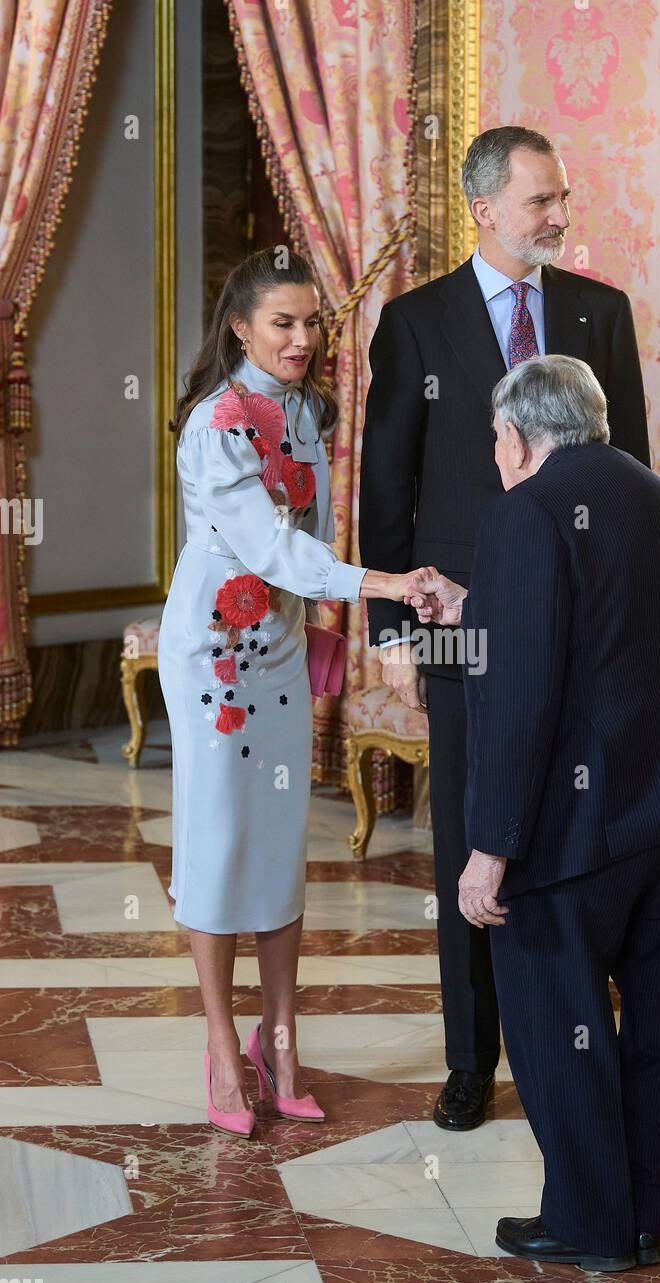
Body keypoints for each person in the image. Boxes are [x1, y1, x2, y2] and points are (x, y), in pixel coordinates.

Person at [407, 354, 660, 1270]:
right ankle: (642, 1219)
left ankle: (593, 1225)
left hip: (584, 827)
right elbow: (606, 627)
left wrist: (490, 848)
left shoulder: (527, 508)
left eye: (494, 441)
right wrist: (478, 607)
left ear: (518, 436)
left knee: (558, 1017)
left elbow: (519, 695)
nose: (496, 456)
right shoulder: (656, 495)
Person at [359, 126, 651, 1132]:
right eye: (539, 202)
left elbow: (631, 477)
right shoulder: (414, 322)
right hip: (454, 618)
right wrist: (388, 629)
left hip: (582, 625)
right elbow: (384, 483)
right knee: (469, 841)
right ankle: (468, 1059)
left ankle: (566, 1035)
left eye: (561, 198)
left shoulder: (597, 313)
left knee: (571, 830)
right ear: (484, 208)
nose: (558, 218)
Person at [160, 247, 432, 1138]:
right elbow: (267, 548)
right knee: (219, 837)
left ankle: (281, 1042)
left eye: (313, 321)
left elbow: (310, 530)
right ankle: (218, 1042)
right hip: (211, 654)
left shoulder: (306, 412)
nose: (304, 338)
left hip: (276, 642)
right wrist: (381, 586)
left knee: (278, 843)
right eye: (284, 322)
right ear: (240, 326)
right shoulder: (216, 422)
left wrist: (317, 629)